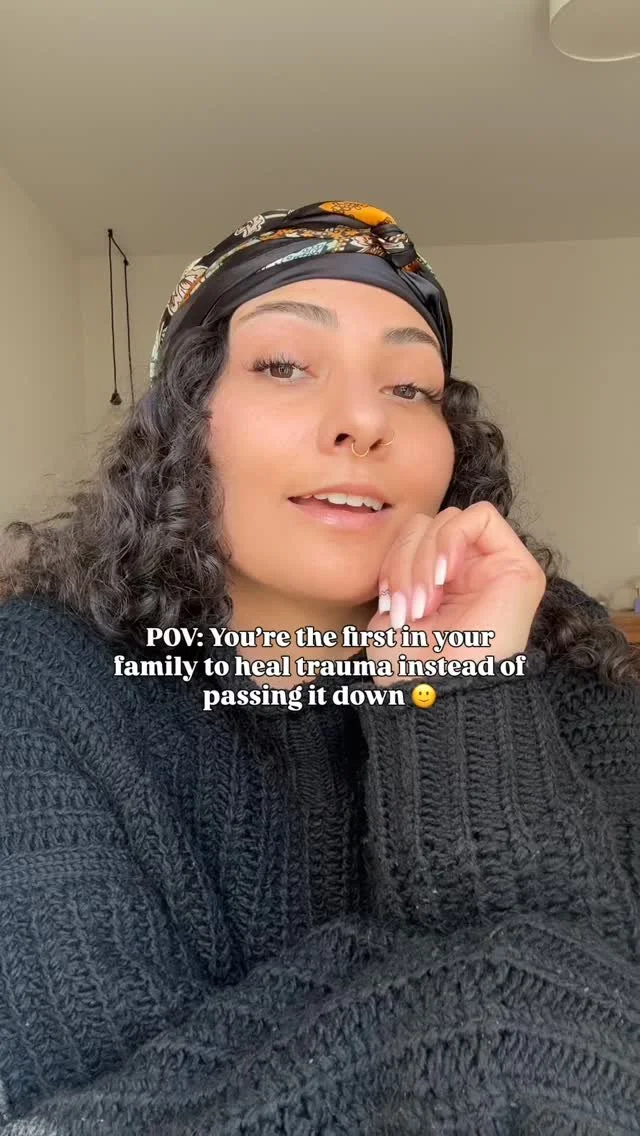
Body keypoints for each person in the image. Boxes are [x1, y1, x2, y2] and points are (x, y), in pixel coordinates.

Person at [0, 199, 638, 1135]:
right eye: (284, 366)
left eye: (411, 387)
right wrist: (489, 1020)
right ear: (180, 425)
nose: (364, 421)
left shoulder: (563, 660)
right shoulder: (40, 683)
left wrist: (454, 688)